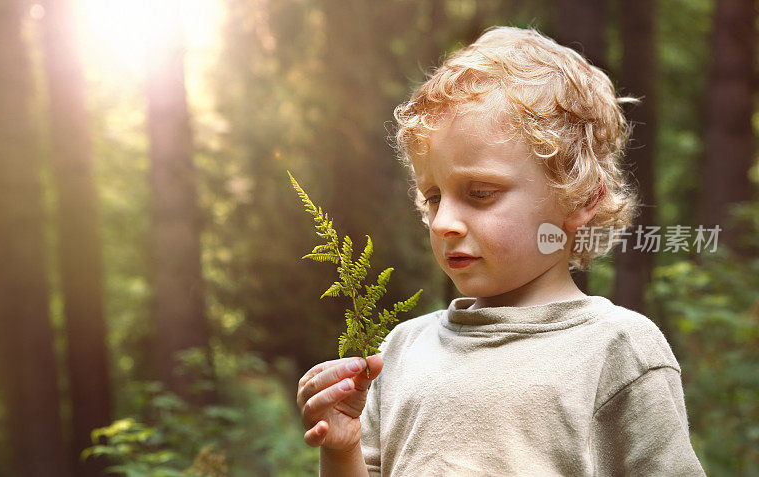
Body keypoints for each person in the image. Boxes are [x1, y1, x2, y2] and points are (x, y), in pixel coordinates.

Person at [296, 26, 706, 476]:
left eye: (481, 193)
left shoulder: (617, 348)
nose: (443, 222)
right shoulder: (400, 351)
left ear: (581, 198)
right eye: (433, 197)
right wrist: (341, 449)